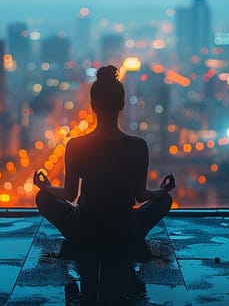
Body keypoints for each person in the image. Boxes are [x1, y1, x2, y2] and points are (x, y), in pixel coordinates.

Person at [33, 65, 175, 245]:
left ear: (93, 106)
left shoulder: (76, 145)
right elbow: (141, 195)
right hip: (126, 230)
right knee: (165, 200)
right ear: (122, 105)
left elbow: (69, 194)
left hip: (83, 230)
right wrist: (163, 191)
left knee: (42, 198)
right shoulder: (138, 146)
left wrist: (45, 186)